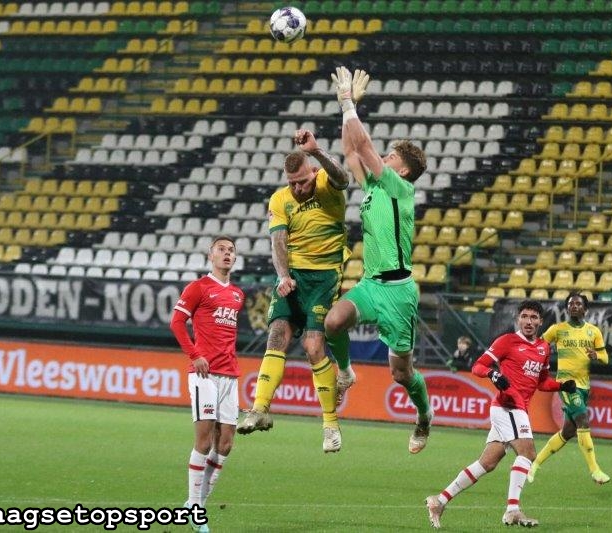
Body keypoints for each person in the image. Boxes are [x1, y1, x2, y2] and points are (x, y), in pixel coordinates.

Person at [324, 66, 433, 454]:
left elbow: (365, 148)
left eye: (391, 156)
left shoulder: (400, 187)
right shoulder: (373, 186)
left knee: (401, 374)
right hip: (372, 284)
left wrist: (349, 103)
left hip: (400, 292)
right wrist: (346, 112)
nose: (383, 157)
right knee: (332, 322)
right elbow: (352, 151)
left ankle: (424, 416)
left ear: (402, 168)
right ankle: (346, 372)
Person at [237, 128, 354, 453]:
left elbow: (344, 178)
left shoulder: (326, 185)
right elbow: (278, 240)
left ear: (313, 173)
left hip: (325, 276)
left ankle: (330, 425)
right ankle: (259, 409)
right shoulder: (279, 199)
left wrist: (316, 151)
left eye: (302, 182)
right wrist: (283, 275)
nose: (298, 188)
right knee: (276, 334)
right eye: (292, 184)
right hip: (294, 277)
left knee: (314, 345)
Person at [425, 299, 576, 529]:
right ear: (518, 318)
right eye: (525, 316)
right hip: (507, 407)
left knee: (487, 463)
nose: (529, 321)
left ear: (541, 322)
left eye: (534, 317)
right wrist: (494, 375)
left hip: (517, 409)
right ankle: (513, 509)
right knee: (528, 453)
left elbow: (542, 382)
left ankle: (440, 501)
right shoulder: (507, 341)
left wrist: (561, 385)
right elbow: (478, 366)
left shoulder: (543, 348)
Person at [170, 236, 245, 533]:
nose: (227, 254)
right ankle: (195, 509)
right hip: (204, 374)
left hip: (230, 374)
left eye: (231, 251)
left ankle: (194, 504)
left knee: (225, 444)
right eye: (221, 250)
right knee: (203, 441)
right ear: (210, 255)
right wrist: (195, 354)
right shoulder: (198, 288)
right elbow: (176, 322)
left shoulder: (238, 295)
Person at [529, 291, 610, 485]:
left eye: (578, 304)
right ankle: (595, 470)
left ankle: (534, 465)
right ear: (567, 308)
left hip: (584, 385)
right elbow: (538, 347)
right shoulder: (557, 329)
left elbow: (605, 358)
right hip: (567, 384)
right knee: (583, 420)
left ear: (585, 309)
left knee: (567, 432)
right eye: (571, 304)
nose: (574, 306)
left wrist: (595, 357)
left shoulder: (594, 332)